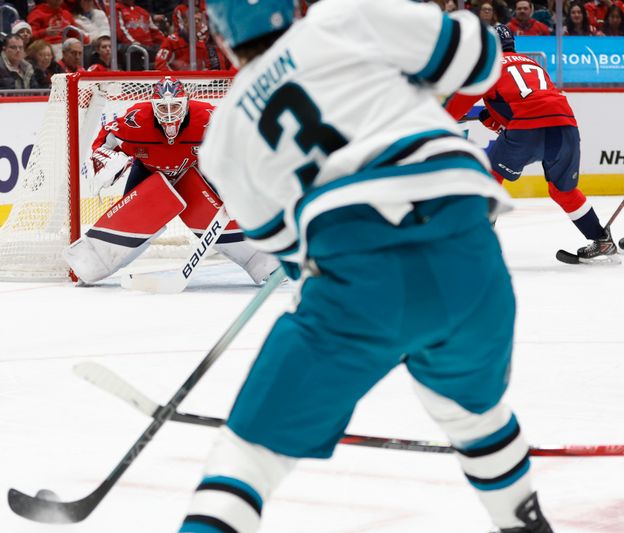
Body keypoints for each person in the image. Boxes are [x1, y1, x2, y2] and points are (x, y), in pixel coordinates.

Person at [179, 1, 554, 533]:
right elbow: (481, 59)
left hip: (355, 274)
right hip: (467, 244)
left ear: (220, 37)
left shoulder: (222, 138)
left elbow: (286, 249)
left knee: (247, 458)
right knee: (474, 416)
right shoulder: (341, 19)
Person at [62, 75, 279, 287]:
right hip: (148, 172)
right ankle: (90, 266)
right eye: (162, 108)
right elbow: (106, 140)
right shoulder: (135, 121)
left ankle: (264, 263)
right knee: (131, 220)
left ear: (185, 104)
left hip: (193, 171)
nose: (168, 114)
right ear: (153, 106)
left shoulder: (208, 118)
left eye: (174, 107)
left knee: (219, 217)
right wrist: (104, 160)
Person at [446, 25, 617, 263]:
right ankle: (601, 239)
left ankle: (479, 245)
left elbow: (454, 109)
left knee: (490, 180)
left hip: (527, 127)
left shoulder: (488, 67)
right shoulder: (532, 63)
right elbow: (525, 100)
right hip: (565, 123)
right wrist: (491, 116)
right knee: (562, 191)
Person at [155, 9, 228, 71]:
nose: (196, 22)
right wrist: (174, 79)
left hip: (198, 83)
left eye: (198, 20)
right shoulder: (171, 41)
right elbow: (160, 64)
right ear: (185, 22)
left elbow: (209, 66)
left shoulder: (204, 42)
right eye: (193, 19)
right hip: (176, 84)